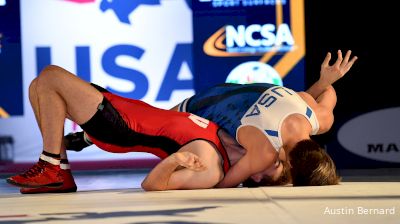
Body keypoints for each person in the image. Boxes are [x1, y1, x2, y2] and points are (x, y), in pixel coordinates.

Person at [63, 49, 358, 188]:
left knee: (143, 120)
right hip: (199, 110)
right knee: (143, 130)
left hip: (222, 95)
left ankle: (88, 135)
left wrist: (324, 81)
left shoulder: (319, 118)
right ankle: (92, 132)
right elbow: (223, 184)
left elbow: (327, 93)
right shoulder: (264, 151)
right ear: (291, 164)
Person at [5, 65, 238, 193]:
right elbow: (166, 119)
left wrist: (174, 159)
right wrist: (84, 140)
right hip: (120, 107)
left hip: (120, 127)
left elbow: (152, 185)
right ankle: (60, 173)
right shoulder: (226, 134)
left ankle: (50, 165)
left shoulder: (213, 169)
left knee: (50, 77)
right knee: (38, 86)